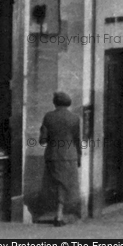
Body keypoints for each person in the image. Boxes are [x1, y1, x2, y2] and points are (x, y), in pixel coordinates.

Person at [39, 92, 81, 227]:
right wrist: (79, 155)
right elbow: (77, 139)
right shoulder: (75, 118)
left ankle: (58, 213)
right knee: (65, 184)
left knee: (56, 183)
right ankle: (60, 213)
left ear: (55, 102)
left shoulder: (48, 117)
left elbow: (42, 140)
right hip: (70, 155)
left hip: (53, 155)